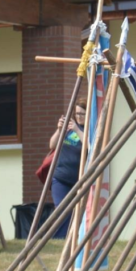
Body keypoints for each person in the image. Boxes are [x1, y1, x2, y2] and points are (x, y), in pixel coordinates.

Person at [48, 102, 86, 239]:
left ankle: (69, 239)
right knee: (62, 210)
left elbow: (90, 146)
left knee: (76, 214)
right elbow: (52, 145)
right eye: (77, 113)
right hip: (60, 178)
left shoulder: (90, 129)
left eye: (82, 114)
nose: (79, 116)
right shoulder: (68, 128)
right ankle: (59, 239)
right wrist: (59, 130)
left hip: (79, 181)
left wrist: (77, 130)